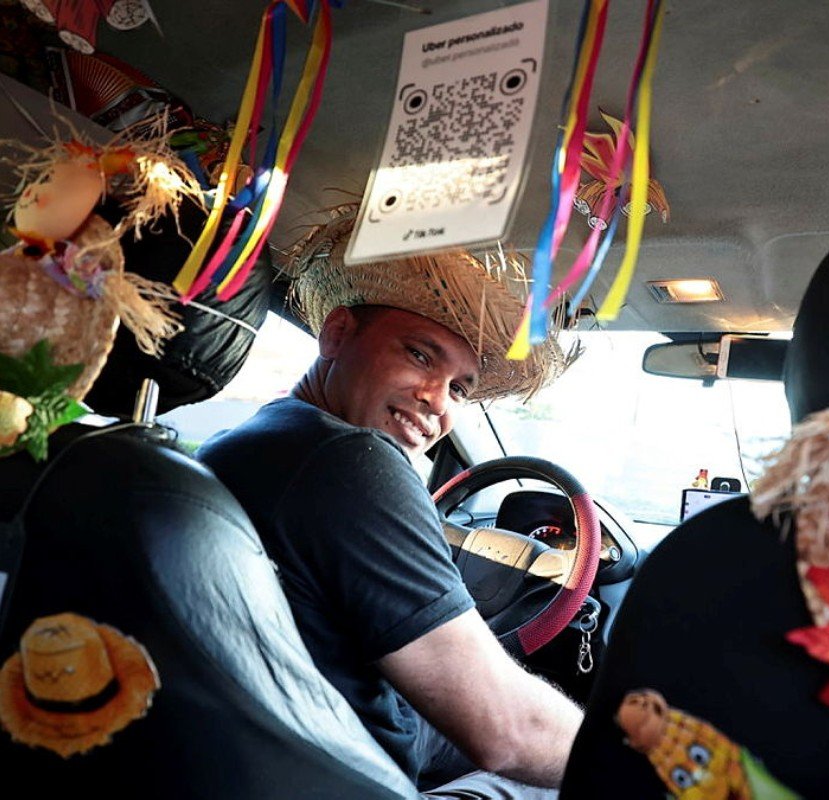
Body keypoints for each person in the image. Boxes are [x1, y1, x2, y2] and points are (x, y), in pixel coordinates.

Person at [198, 206, 582, 798]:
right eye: (420, 355)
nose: (438, 402)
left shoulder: (256, 440)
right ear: (337, 334)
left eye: (460, 388)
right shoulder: (352, 462)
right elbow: (508, 730)